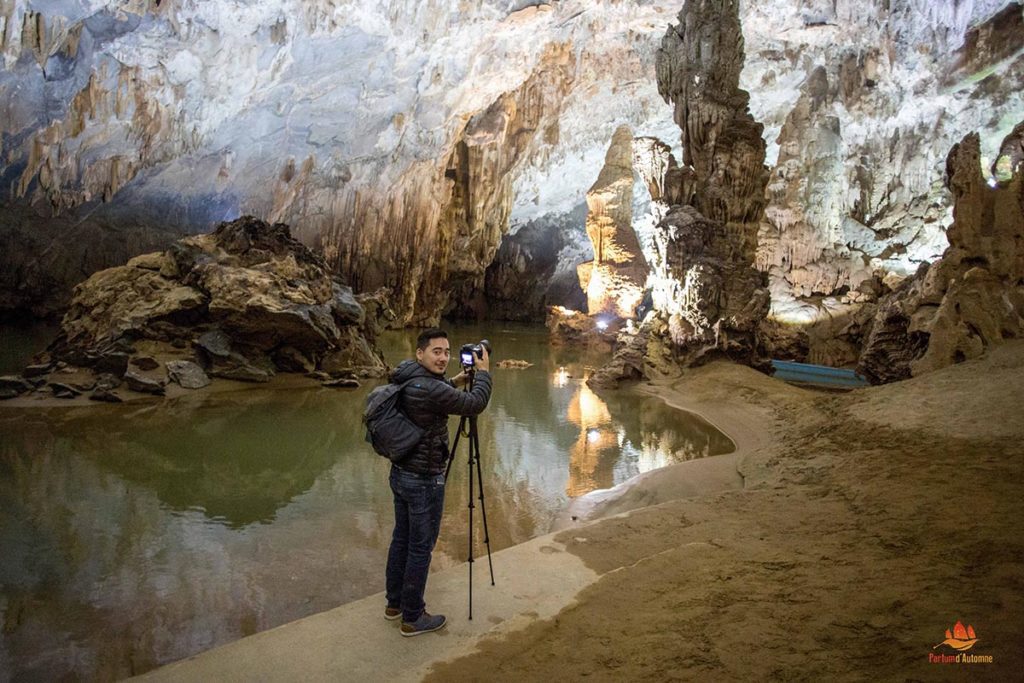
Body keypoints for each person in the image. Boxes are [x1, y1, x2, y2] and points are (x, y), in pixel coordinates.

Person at [384, 328, 492, 636]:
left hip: (401, 473)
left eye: (447, 351)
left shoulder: (407, 376)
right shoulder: (431, 389)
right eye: (436, 352)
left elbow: (432, 392)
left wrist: (455, 381)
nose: (443, 357)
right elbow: (474, 404)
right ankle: (413, 617)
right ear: (421, 354)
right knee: (421, 547)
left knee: (401, 540)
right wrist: (483, 374)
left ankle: (395, 604)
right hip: (424, 479)